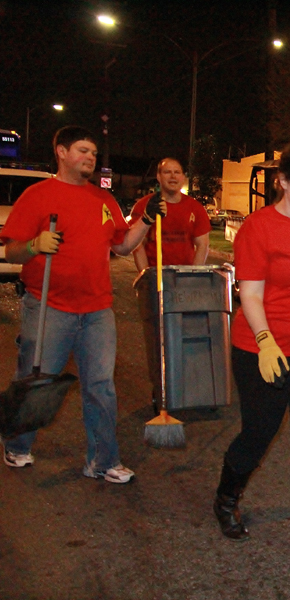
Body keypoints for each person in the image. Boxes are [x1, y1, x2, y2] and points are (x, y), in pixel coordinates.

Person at [0, 126, 165, 483]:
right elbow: (11, 248)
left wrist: (147, 220)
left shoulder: (103, 201)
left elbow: (121, 247)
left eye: (93, 152)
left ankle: (103, 461)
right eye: (82, 151)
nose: (90, 158)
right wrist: (33, 245)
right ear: (61, 152)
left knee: (101, 386)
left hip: (96, 310)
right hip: (48, 306)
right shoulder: (38, 195)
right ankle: (16, 445)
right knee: (36, 378)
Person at [213, 142, 290, 576]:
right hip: (263, 349)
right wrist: (267, 341)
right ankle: (226, 500)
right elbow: (249, 293)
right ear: (282, 182)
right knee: (259, 434)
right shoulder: (257, 228)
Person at [129, 157, 212, 409]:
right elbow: (137, 245)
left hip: (184, 282)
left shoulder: (194, 208)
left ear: (184, 178)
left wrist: (192, 277)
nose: (173, 177)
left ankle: (189, 387)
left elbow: (203, 245)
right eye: (167, 172)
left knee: (186, 336)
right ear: (159, 177)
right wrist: (145, 276)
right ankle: (162, 391)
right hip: (157, 279)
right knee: (159, 340)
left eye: (177, 172)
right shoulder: (145, 206)